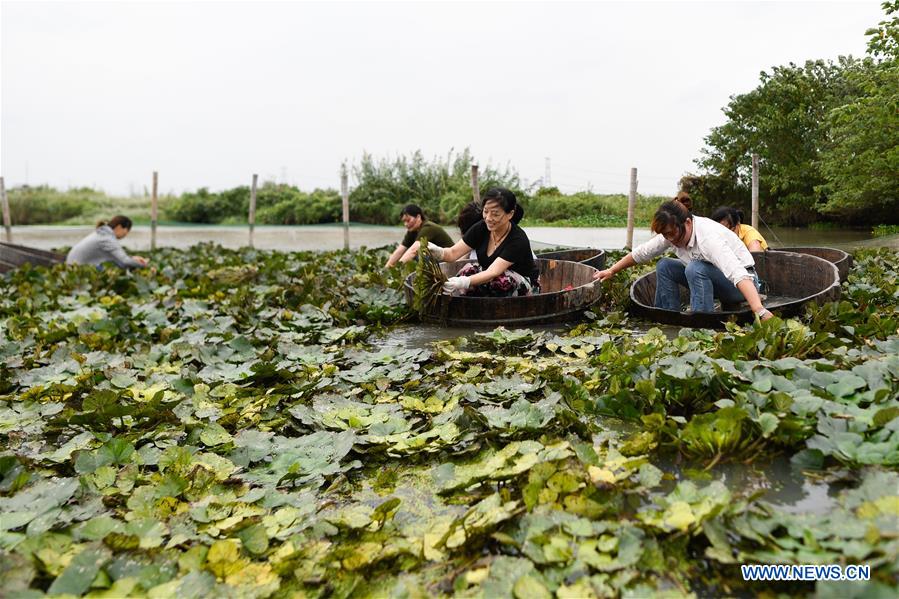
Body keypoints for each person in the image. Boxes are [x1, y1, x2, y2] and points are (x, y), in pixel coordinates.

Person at [593, 201, 773, 320]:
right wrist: (611, 270)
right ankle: (669, 318)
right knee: (664, 265)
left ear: (687, 223)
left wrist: (760, 310)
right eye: (665, 235)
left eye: (672, 233)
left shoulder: (708, 238)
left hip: (743, 287)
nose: (670, 239)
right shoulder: (670, 234)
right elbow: (641, 253)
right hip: (712, 280)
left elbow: (739, 274)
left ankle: (701, 322)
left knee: (695, 268)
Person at [427, 188, 540, 297]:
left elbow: (493, 272)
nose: (488, 218)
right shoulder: (481, 227)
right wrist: (439, 252)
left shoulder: (518, 239)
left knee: (500, 282)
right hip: (492, 275)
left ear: (510, 214)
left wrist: (463, 282)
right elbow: (452, 253)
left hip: (524, 284)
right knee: (466, 272)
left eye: (495, 214)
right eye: (486, 212)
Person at [66, 215, 149, 269]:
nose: (126, 235)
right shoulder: (107, 239)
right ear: (119, 227)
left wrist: (132, 259)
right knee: (118, 269)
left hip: (72, 267)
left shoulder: (101, 233)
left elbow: (116, 258)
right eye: (127, 231)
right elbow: (125, 261)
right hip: (79, 271)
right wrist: (144, 265)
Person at [385, 204, 454, 267]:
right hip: (438, 261)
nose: (406, 224)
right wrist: (386, 268)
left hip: (452, 261)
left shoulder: (428, 227)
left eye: (408, 220)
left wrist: (397, 269)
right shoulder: (412, 231)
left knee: (418, 254)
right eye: (404, 221)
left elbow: (413, 250)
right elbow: (400, 251)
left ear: (418, 217)